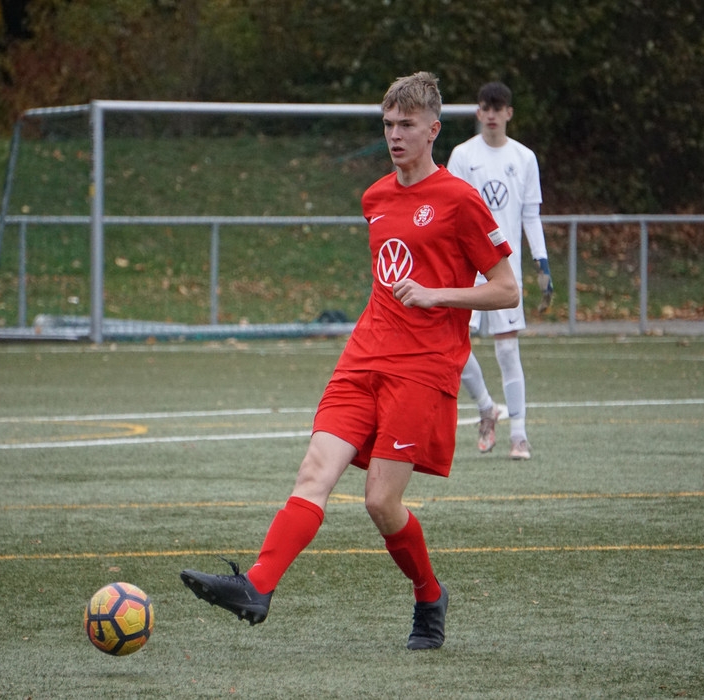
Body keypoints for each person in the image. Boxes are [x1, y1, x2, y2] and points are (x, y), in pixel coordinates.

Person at [180, 71, 518, 650]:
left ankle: (429, 596)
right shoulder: (376, 198)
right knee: (314, 473)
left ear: (432, 129)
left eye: (406, 125)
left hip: (422, 369)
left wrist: (440, 295)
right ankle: (257, 588)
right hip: (363, 359)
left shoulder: (459, 201)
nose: (394, 135)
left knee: (380, 503)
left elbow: (508, 290)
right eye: (387, 124)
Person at [446, 81, 553, 461]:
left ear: (509, 113)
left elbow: (530, 215)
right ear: (478, 112)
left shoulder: (524, 158)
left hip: (502, 270)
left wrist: (541, 261)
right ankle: (486, 408)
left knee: (508, 350)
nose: (491, 114)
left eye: (498, 108)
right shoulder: (462, 156)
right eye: (485, 108)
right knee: (455, 348)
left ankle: (519, 436)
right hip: (465, 268)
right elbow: (450, 211)